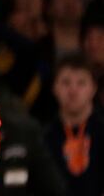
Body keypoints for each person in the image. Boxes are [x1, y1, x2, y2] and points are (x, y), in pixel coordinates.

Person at [44, 54, 104, 195]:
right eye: (66, 83)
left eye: (81, 83)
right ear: (54, 88)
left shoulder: (102, 132)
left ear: (93, 89)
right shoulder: (42, 138)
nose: (73, 91)